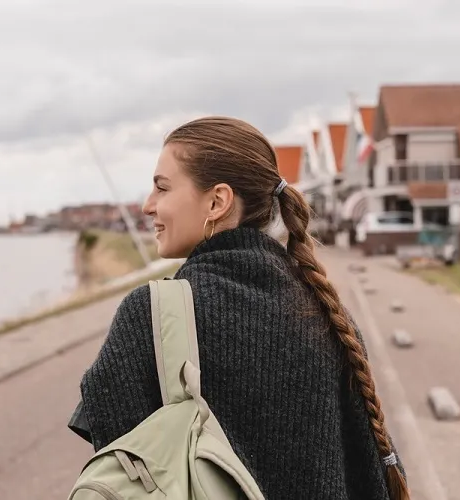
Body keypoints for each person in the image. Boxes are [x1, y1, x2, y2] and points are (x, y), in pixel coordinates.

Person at [71, 116, 409, 499]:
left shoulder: (151, 314)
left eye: (162, 188)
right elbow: (367, 474)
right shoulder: (326, 313)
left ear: (217, 201)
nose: (148, 206)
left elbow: (123, 474)